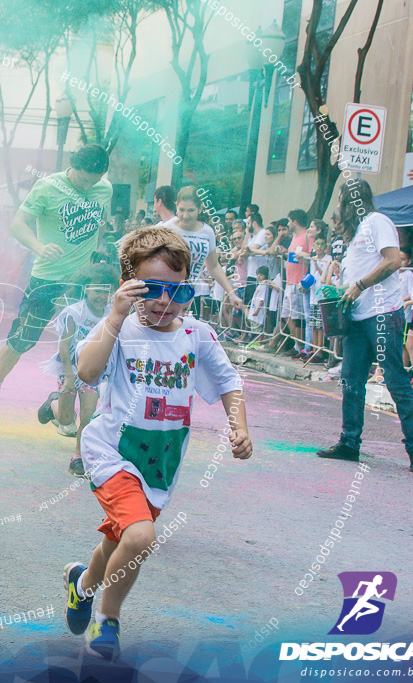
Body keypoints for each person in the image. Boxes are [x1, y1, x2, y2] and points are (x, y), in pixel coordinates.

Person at [61, 226, 251, 662]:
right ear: (128, 287)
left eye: (176, 289)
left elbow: (227, 381)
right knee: (141, 536)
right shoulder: (120, 328)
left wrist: (239, 426)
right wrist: (113, 316)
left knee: (119, 539)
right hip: (111, 451)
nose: (165, 302)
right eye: (152, 290)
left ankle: (82, 585)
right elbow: (87, 372)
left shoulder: (197, 335)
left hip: (161, 459)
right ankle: (106, 620)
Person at [0, 144, 112, 431]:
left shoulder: (104, 190)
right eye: (84, 178)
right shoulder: (47, 187)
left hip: (80, 285)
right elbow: (18, 224)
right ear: (72, 165)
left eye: (94, 180)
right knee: (22, 339)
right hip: (47, 280)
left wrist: (94, 253)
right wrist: (39, 246)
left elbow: (100, 224)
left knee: (80, 348)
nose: (89, 185)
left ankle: (64, 411)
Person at [316, 179, 413, 473]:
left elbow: (392, 262)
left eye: (341, 201)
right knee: (351, 382)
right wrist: (341, 290)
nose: (338, 207)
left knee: (395, 380)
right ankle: (349, 443)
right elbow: (359, 274)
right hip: (357, 317)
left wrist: (360, 285)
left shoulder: (378, 221)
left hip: (383, 314)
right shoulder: (355, 235)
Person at [37, 263, 119, 476]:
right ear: (86, 289)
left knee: (88, 416)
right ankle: (53, 404)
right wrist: (69, 378)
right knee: (66, 421)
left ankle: (78, 459)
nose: (102, 296)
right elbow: (64, 347)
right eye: (98, 291)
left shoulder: (112, 314)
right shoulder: (74, 313)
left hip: (92, 370)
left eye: (107, 291)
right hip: (70, 368)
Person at [164, 186, 243, 310]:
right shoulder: (166, 228)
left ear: (200, 208)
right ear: (176, 206)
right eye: (181, 210)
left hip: (187, 294)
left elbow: (213, 266)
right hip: (164, 292)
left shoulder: (207, 232)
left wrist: (231, 294)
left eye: (191, 210)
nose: (185, 215)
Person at [283, 209, 313, 357]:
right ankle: (297, 344)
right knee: (286, 314)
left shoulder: (308, 235)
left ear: (295, 221)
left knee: (298, 316)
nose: (288, 224)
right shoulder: (294, 237)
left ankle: (302, 346)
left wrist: (304, 256)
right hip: (289, 281)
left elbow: (315, 256)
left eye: (289, 221)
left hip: (300, 281)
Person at [307, 235, 332, 363]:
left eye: (322, 244)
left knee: (321, 326)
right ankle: (314, 349)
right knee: (314, 325)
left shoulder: (328, 259)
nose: (320, 247)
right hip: (313, 295)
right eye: (317, 244)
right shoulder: (312, 259)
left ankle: (320, 351)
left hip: (322, 296)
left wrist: (317, 265)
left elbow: (326, 275)